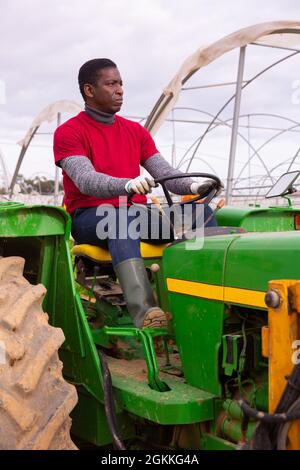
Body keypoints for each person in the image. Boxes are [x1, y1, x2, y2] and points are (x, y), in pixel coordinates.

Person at [53, 58, 219, 329]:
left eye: (120, 83)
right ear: (89, 90)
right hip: (91, 218)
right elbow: (85, 180)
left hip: (135, 214)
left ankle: (204, 300)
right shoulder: (68, 132)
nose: (120, 90)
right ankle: (145, 312)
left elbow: (165, 173)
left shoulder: (135, 131)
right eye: (111, 84)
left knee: (200, 213)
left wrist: (193, 187)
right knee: (120, 220)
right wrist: (127, 185)